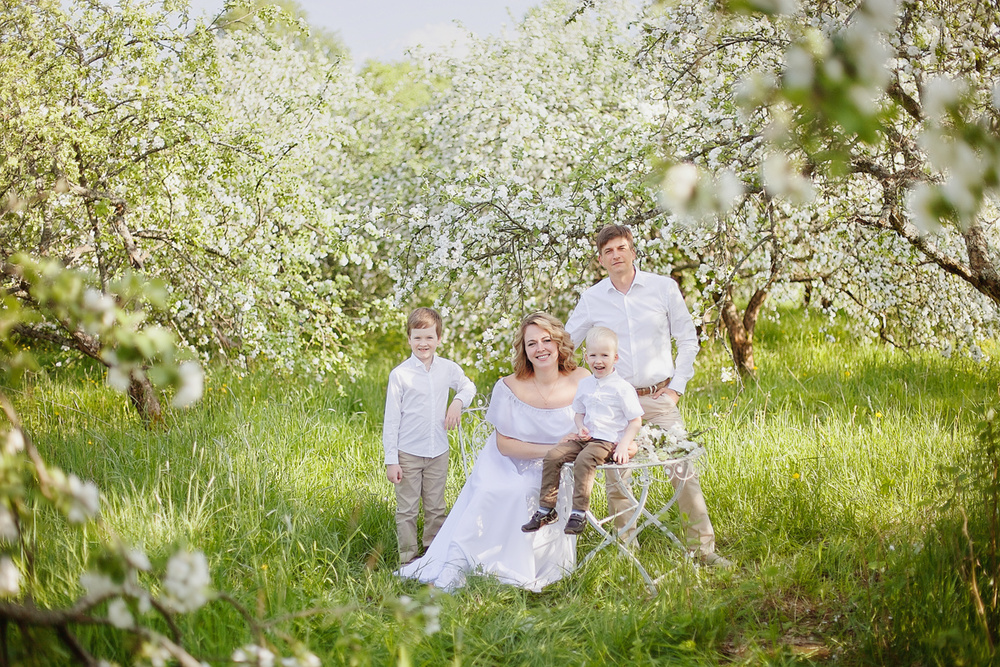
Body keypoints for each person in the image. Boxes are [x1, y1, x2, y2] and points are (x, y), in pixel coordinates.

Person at [565, 224, 732, 567]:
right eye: (609, 251)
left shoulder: (663, 288)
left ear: (633, 252)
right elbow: (567, 344)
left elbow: (687, 339)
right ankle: (628, 554)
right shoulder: (592, 298)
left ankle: (702, 551)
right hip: (613, 404)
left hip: (658, 397)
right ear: (600, 259)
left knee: (682, 468)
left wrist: (675, 389)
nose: (616, 255)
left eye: (622, 248)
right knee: (617, 479)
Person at [397, 312, 590, 591]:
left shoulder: (582, 379)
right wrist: (555, 449)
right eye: (531, 343)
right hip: (506, 461)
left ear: (559, 342)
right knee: (504, 489)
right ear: (524, 350)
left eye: (546, 340)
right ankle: (466, 562)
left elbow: (602, 421)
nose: (540, 348)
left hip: (559, 467)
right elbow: (505, 444)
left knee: (528, 489)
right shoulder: (509, 385)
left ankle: (516, 567)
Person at [522, 326, 642, 536]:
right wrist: (581, 427)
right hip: (586, 437)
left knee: (584, 460)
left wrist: (623, 445)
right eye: (593, 355)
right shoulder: (585, 384)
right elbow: (579, 413)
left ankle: (579, 512)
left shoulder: (622, 388)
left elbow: (635, 421)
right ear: (586, 357)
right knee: (553, 455)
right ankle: (546, 509)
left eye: (604, 355)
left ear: (616, 357)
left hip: (607, 441)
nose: (598, 361)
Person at [383, 307, 476, 565]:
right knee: (407, 509)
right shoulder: (400, 375)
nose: (423, 343)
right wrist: (392, 459)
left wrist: (458, 401)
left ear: (439, 339)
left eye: (429, 337)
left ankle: (432, 555)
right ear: (409, 339)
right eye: (417, 337)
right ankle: (408, 559)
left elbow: (468, 385)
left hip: (438, 452)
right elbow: (391, 421)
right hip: (408, 453)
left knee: (436, 508)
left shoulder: (447, 368)